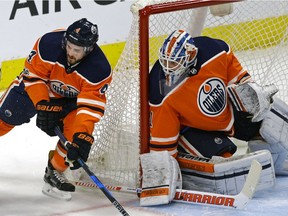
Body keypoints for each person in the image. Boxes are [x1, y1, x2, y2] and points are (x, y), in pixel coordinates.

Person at [140, 29, 288, 206]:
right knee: (226, 166)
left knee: (275, 116)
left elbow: (240, 80)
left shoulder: (214, 50)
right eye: (165, 62)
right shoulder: (160, 91)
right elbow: (162, 141)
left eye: (174, 63)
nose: (168, 68)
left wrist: (252, 93)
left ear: (191, 55)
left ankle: (278, 158)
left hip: (229, 114)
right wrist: (161, 173)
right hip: (195, 131)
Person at [0, 18, 112, 200]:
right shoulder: (48, 44)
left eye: (76, 50)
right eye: (69, 46)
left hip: (70, 101)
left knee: (75, 139)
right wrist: (42, 104)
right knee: (4, 119)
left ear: (89, 49)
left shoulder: (99, 70)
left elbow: (89, 107)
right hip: (35, 90)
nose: (70, 52)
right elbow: (34, 76)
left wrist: (83, 134)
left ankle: (54, 172)